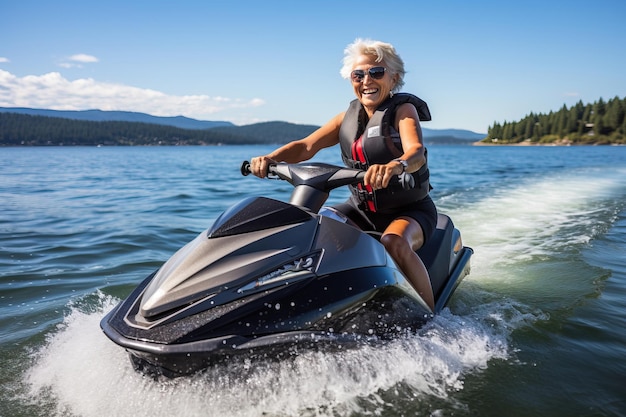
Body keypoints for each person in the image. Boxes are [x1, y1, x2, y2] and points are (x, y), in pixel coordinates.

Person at [249, 38, 437, 310]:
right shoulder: (346, 118)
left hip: (409, 210)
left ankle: (433, 320)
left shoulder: (403, 111)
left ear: (394, 78)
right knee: (310, 228)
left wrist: (397, 165)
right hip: (360, 208)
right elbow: (305, 147)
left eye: (376, 72)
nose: (366, 80)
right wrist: (271, 158)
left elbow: (416, 151)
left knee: (393, 242)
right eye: (358, 74)